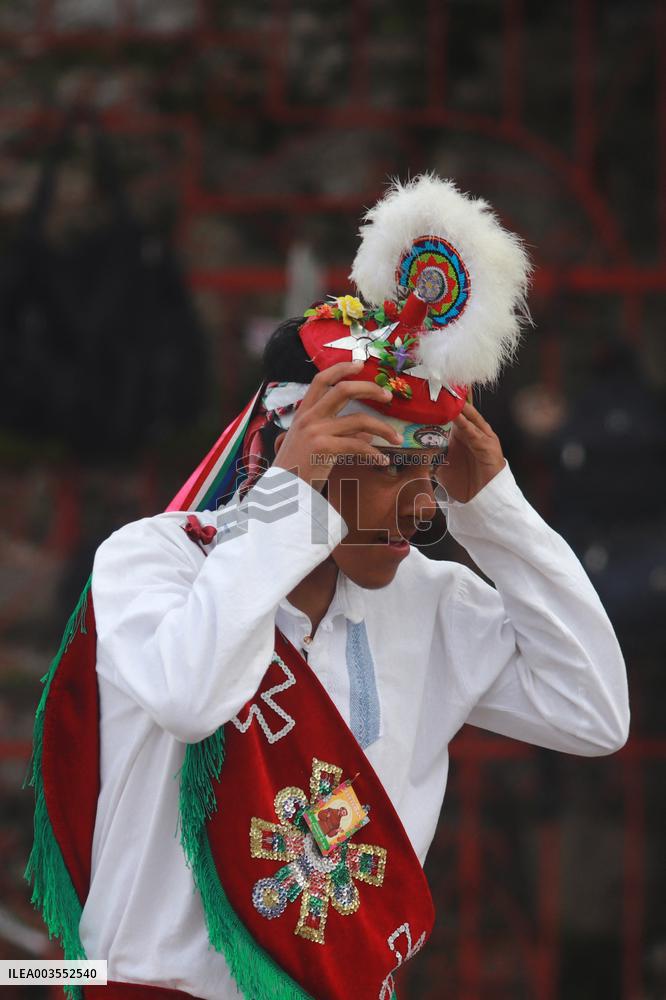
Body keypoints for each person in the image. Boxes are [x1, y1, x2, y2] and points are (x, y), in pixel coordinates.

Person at [25, 175, 630, 1000]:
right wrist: (292, 499)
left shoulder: (429, 602)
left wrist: (494, 507)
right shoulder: (153, 564)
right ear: (299, 454)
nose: (424, 509)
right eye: (390, 466)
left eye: (434, 471)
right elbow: (189, 696)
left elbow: (593, 711)